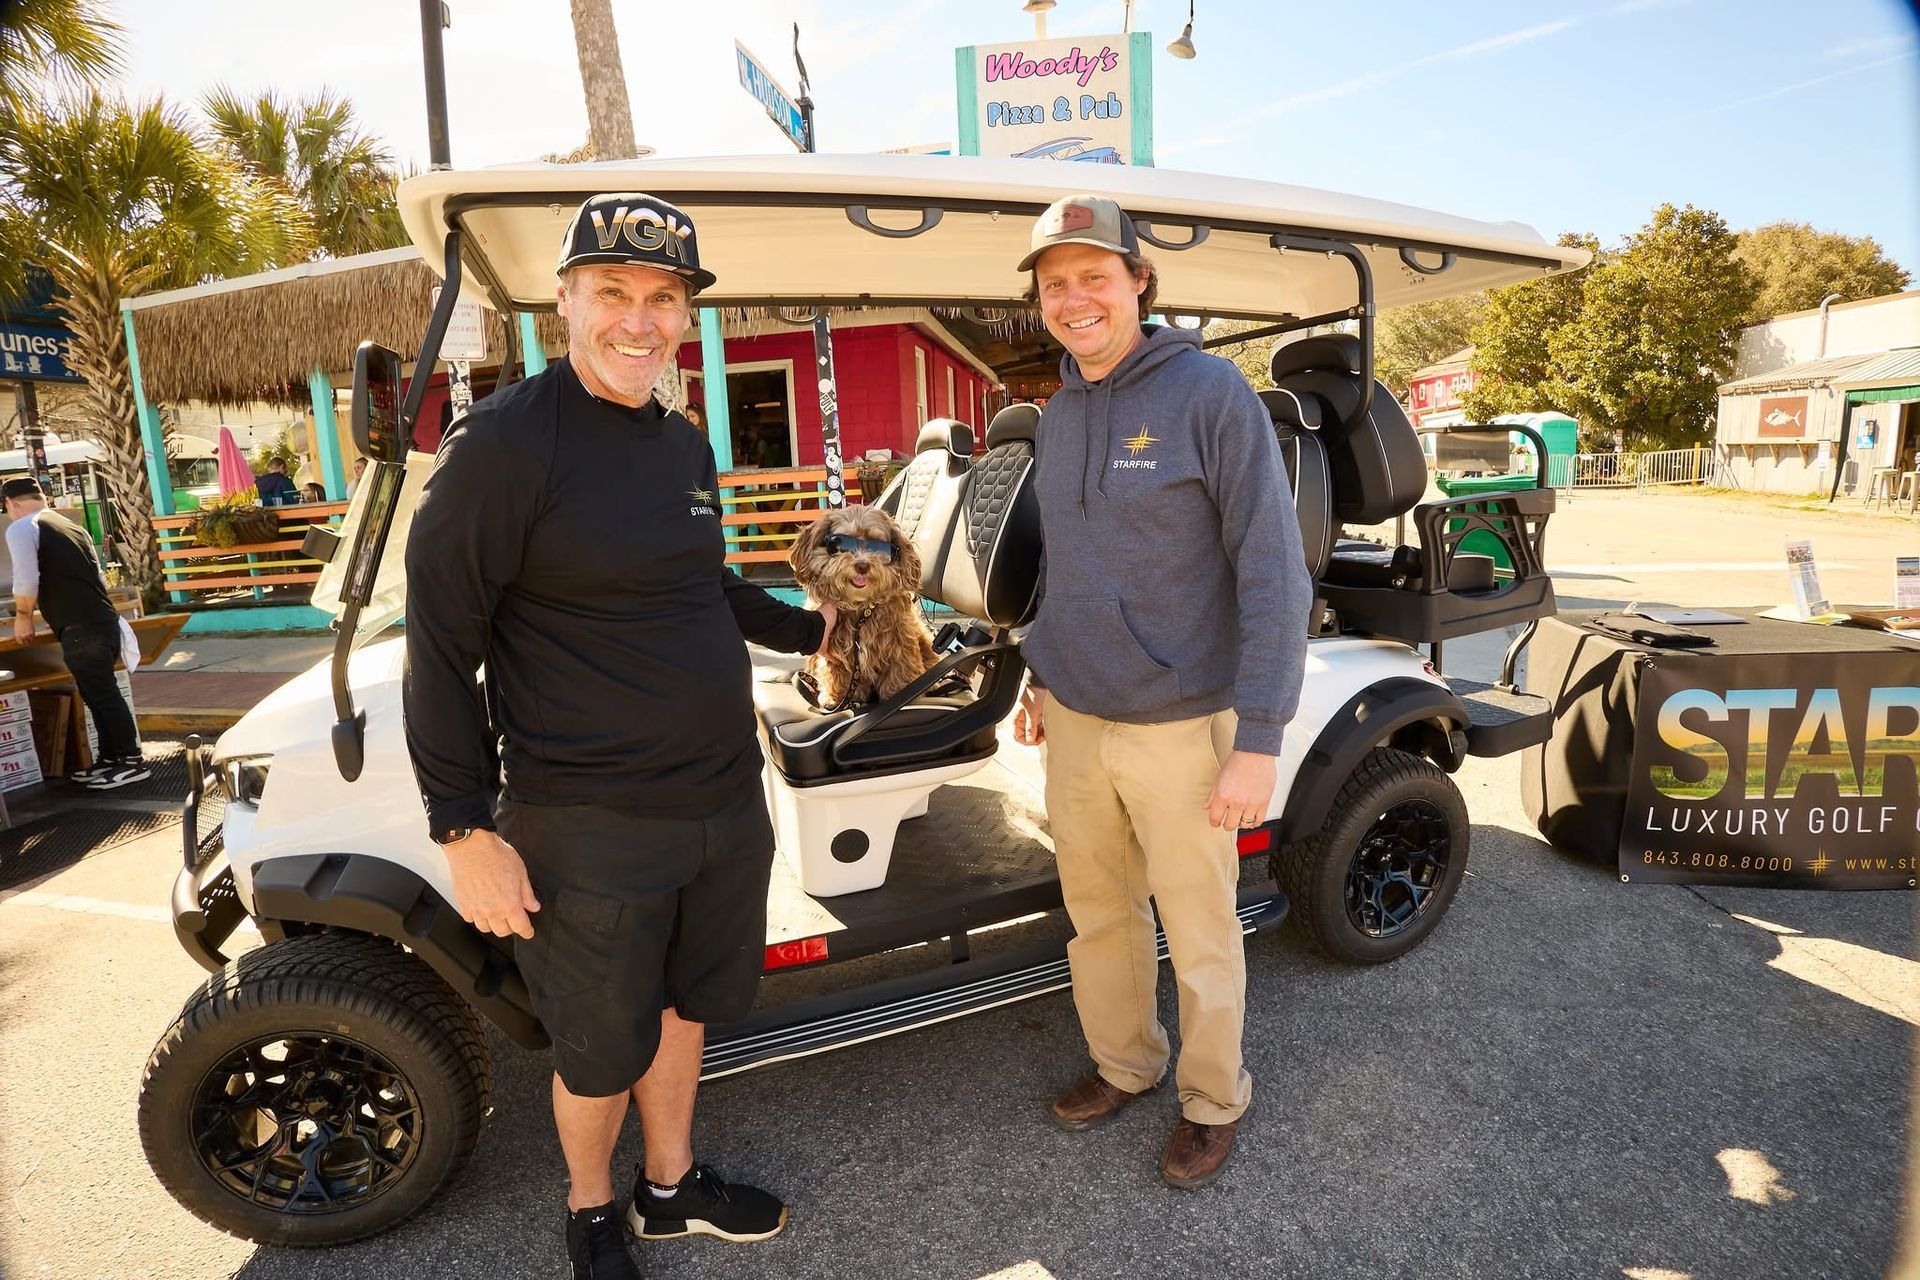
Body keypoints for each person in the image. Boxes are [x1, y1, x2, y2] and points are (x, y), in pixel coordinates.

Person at [403, 192, 838, 1280]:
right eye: (613, 293)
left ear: (684, 315)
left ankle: (671, 1182)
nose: (637, 320)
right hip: (587, 822)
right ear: (566, 301)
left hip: (724, 800)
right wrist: (463, 827)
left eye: (662, 298)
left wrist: (811, 625)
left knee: (689, 1003)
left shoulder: (681, 443)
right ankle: (592, 1204)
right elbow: (439, 647)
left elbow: (699, 581)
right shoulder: (504, 446)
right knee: (601, 1045)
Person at [1009, 194, 1313, 1189]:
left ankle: (1214, 1097)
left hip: (1184, 724)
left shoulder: (1210, 394)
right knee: (1099, 913)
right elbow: (1063, 562)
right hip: (1081, 719)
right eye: (1055, 283)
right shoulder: (1058, 415)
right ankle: (1125, 1063)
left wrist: (1258, 735)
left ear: (1139, 280)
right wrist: (1041, 668)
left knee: (1200, 926)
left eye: (1095, 275)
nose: (1074, 297)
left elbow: (1272, 566)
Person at [2, 477, 148, 789]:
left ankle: (131, 761)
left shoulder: (22, 527)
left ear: (11, 504)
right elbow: (96, 576)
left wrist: (24, 617)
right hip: (100, 620)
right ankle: (110, 759)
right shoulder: (70, 526)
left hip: (82, 626)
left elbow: (26, 578)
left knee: (102, 694)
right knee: (96, 692)